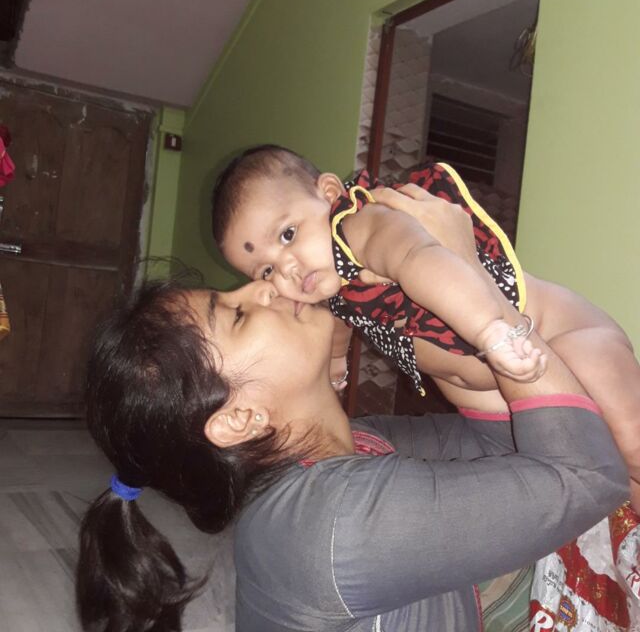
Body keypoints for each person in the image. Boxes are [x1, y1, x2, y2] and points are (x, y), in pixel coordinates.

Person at [75, 270, 627, 632]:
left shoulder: (350, 445)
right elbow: (590, 476)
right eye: (238, 314)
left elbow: (505, 444)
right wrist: (475, 297)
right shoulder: (329, 522)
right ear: (240, 419)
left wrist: (419, 307)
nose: (262, 284)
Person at [211, 144, 640, 512]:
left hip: (565, 339)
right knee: (616, 477)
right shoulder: (329, 282)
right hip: (500, 400)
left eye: (287, 235)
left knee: (632, 444)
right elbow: (339, 322)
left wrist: (490, 331)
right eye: (265, 270)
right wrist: (337, 366)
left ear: (329, 194)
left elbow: (421, 260)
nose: (286, 268)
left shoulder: (362, 226)